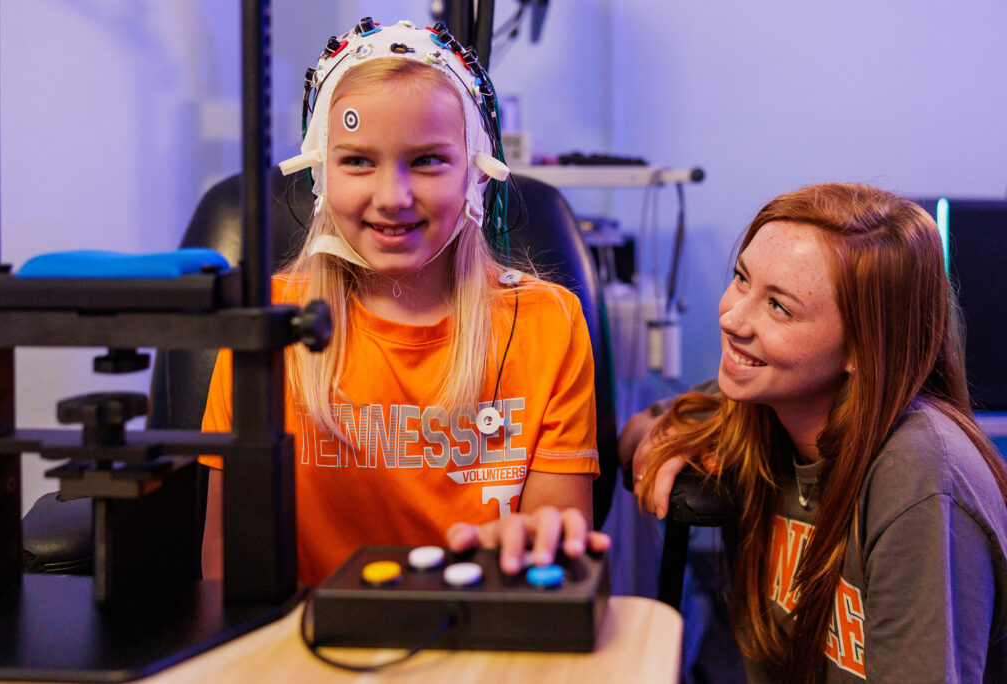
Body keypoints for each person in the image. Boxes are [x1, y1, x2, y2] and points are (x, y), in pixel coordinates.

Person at [200, 18, 609, 586]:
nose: (392, 198)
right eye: (358, 161)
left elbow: (552, 563)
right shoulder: (266, 325)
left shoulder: (546, 325)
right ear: (319, 172)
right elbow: (227, 575)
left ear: (476, 170)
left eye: (426, 161)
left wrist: (528, 546)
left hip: (484, 641)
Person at [624, 183, 1007, 682]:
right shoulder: (762, 406)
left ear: (862, 348)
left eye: (779, 307)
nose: (732, 318)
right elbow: (634, 430)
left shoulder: (919, 474)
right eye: (742, 279)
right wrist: (668, 437)